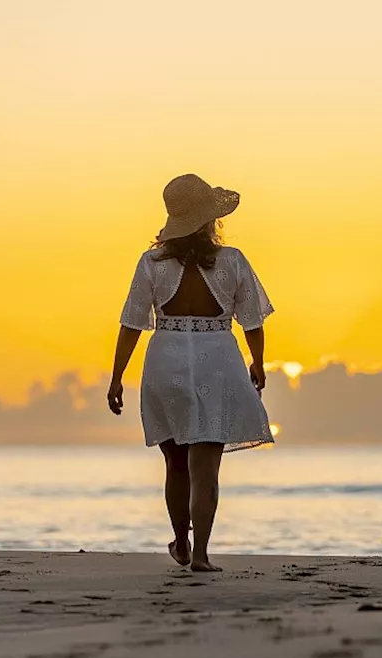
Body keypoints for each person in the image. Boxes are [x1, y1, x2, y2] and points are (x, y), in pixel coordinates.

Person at [107, 174, 274, 572]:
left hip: (166, 360)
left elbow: (132, 322)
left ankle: (181, 542)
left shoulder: (152, 263)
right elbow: (252, 320)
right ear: (209, 220)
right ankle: (200, 555)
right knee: (207, 467)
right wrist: (258, 362)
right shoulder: (232, 260)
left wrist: (116, 377)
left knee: (176, 463)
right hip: (218, 361)